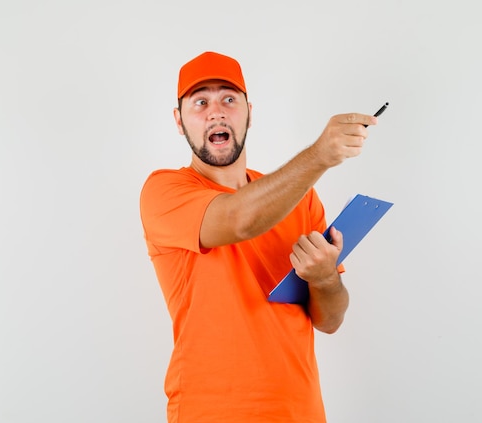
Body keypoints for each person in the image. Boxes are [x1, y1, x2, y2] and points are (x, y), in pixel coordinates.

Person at [139, 51, 378, 423]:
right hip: (212, 413)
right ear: (179, 120)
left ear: (249, 111)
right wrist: (319, 156)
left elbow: (330, 320)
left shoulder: (300, 196)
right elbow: (238, 219)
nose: (216, 112)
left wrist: (325, 278)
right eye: (200, 102)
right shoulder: (163, 191)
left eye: (228, 100)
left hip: (302, 411)